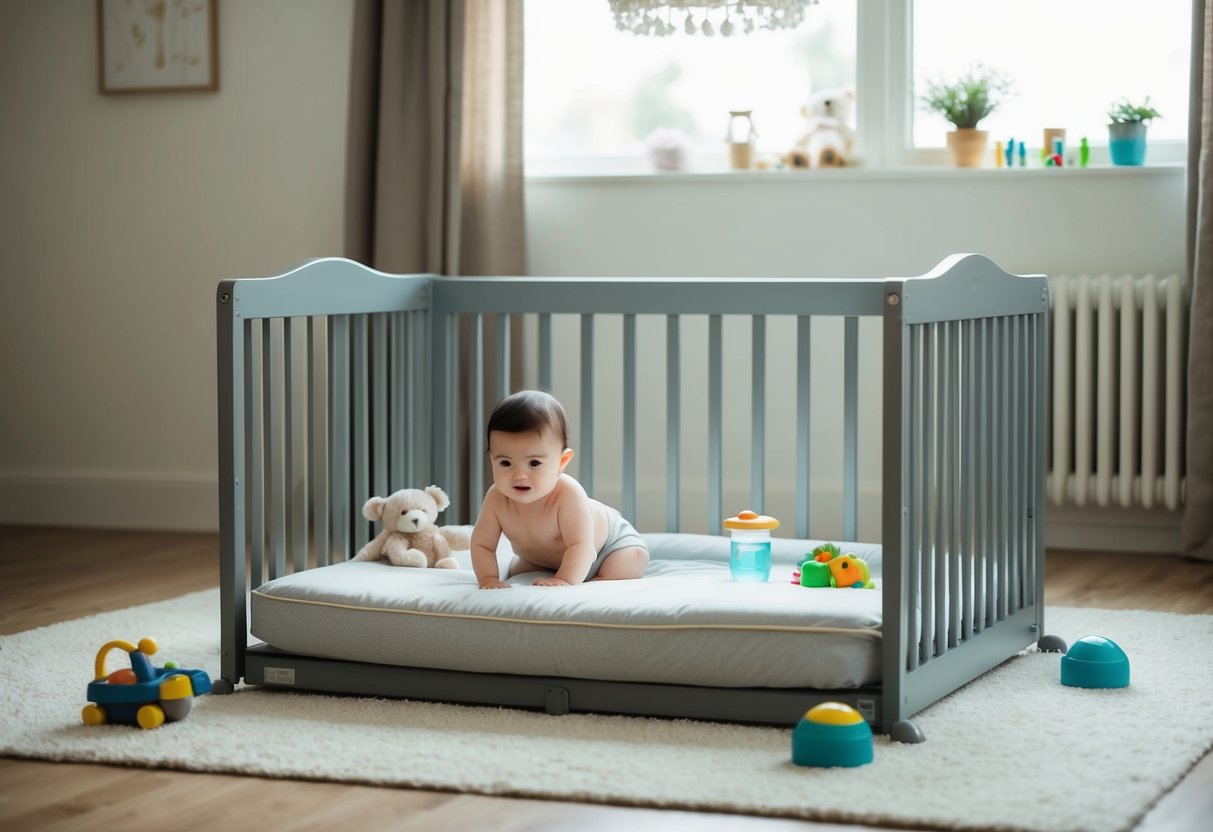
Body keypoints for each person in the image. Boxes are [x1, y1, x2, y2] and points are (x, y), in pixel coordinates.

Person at [471, 390, 649, 589]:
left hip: (606, 548)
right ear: (492, 460)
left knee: (632, 560)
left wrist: (564, 580)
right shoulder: (496, 498)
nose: (519, 475)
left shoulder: (568, 494)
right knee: (516, 571)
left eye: (534, 463)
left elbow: (582, 546)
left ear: (562, 462)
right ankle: (562, 570)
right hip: (541, 559)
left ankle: (591, 578)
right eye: (505, 463)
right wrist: (488, 578)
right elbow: (482, 545)